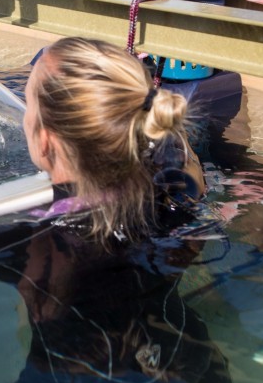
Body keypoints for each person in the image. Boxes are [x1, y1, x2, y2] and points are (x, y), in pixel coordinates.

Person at [23, 37, 205, 243]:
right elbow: (190, 167)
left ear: (45, 140)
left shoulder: (45, 237)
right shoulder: (176, 189)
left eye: (28, 103)